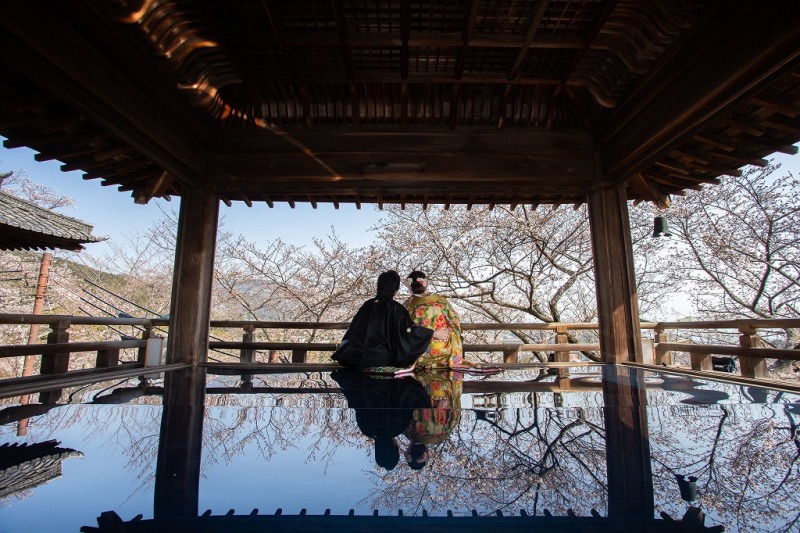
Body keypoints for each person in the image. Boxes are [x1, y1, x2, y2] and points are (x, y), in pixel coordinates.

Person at [332, 270, 448, 370]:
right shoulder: (395, 308)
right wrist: (434, 333)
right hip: (377, 358)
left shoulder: (367, 305)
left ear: (378, 287)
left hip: (352, 356)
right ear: (396, 290)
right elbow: (408, 331)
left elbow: (352, 331)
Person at [330, 368, 431, 470]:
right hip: (363, 379)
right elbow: (357, 402)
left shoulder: (399, 428)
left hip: (390, 378)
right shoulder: (366, 429)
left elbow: (409, 396)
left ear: (395, 447)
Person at [404, 270, 470, 369]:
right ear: (426, 283)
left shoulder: (408, 305)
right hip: (445, 353)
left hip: (419, 355)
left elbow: (405, 330)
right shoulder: (441, 301)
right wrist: (447, 333)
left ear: (409, 285)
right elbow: (454, 321)